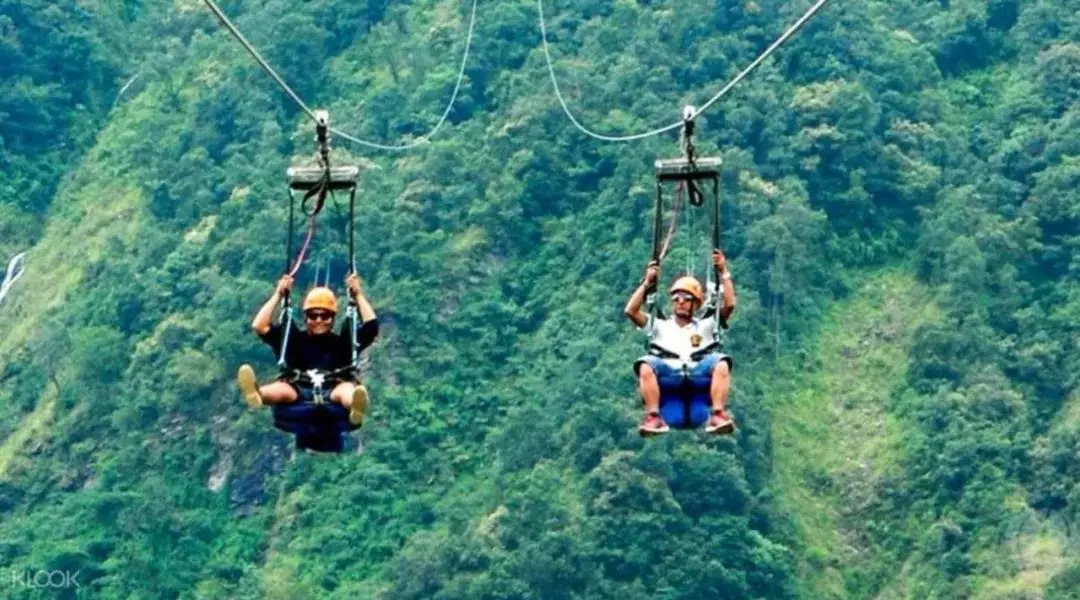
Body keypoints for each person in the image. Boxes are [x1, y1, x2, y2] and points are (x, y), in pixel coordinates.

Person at [237, 273, 378, 426]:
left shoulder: (344, 344)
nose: (319, 320)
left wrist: (358, 296)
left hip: (334, 387)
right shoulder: (293, 341)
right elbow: (259, 326)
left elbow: (371, 327)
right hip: (298, 387)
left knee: (345, 390)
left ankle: (354, 404)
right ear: (306, 318)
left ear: (332, 318)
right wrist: (278, 294)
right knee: (282, 389)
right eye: (313, 315)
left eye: (325, 316)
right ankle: (258, 394)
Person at [624, 250, 736, 436]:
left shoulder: (707, 325)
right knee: (645, 364)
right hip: (670, 379)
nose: (680, 302)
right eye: (676, 299)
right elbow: (631, 311)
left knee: (721, 362)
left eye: (686, 299)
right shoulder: (659, 325)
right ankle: (653, 417)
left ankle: (718, 414)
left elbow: (729, 305)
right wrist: (647, 283)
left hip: (698, 377)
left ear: (696, 303)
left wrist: (724, 273)